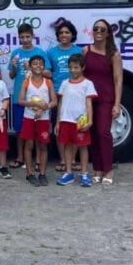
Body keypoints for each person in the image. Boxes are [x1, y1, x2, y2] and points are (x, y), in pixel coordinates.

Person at [83, 19, 123, 186]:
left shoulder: (114, 54)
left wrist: (117, 104)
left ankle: (108, 169)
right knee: (91, 134)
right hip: (89, 99)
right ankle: (97, 169)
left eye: (102, 29)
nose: (98, 31)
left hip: (106, 98)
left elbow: (118, 80)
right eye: (96, 28)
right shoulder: (86, 50)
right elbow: (82, 74)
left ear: (108, 33)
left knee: (103, 133)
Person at [7, 23, 51, 169]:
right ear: (18, 37)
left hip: (38, 98)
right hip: (20, 98)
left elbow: (49, 73)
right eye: (22, 37)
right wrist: (13, 66)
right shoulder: (16, 53)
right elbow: (12, 76)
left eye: (28, 36)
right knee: (20, 130)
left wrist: (32, 68)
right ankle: (20, 157)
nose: (25, 39)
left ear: (33, 36)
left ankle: (38, 160)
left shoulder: (40, 52)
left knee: (38, 130)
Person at [56, 54, 98, 187]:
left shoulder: (88, 84)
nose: (73, 70)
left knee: (83, 147)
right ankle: (68, 173)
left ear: (83, 67)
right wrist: (58, 122)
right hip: (65, 120)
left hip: (80, 122)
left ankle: (84, 173)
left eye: (76, 67)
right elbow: (60, 103)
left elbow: (89, 104)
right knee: (67, 146)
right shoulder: (64, 83)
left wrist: (90, 121)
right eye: (71, 68)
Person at [47, 19, 83, 173]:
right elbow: (48, 72)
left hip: (76, 93)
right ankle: (63, 159)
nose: (64, 35)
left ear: (72, 35)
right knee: (60, 127)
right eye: (61, 32)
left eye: (67, 32)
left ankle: (73, 159)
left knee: (75, 127)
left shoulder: (79, 51)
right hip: (58, 93)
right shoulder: (51, 52)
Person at [16, 55, 57, 187]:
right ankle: (29, 173)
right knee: (29, 145)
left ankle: (42, 173)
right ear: (30, 66)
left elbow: (54, 101)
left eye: (40, 64)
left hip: (43, 119)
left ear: (44, 66)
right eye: (35, 64)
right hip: (29, 118)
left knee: (43, 145)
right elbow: (20, 101)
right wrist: (35, 104)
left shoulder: (48, 82)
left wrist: (45, 107)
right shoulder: (26, 81)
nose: (38, 66)